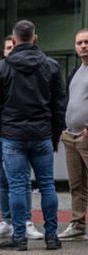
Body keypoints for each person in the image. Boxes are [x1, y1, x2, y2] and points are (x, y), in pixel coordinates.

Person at [0, 20, 66, 251]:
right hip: (42, 134)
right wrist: (55, 133)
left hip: (13, 135)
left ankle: (19, 237)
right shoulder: (51, 66)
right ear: (35, 38)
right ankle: (52, 236)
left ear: (13, 40)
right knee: (48, 186)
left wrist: (2, 129)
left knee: (17, 186)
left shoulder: (2, 67)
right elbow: (60, 104)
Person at [0, 35, 43, 241]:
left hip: (19, 134)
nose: (11, 50)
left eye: (13, 46)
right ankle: (6, 221)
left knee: (23, 180)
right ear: (3, 50)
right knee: (4, 181)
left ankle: (26, 221)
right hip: (1, 134)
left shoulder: (27, 72)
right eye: (7, 47)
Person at [58, 29, 88, 241]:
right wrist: (63, 128)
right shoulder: (76, 71)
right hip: (71, 136)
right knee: (76, 184)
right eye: (79, 43)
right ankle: (78, 224)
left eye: (87, 42)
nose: (83, 46)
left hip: (87, 135)